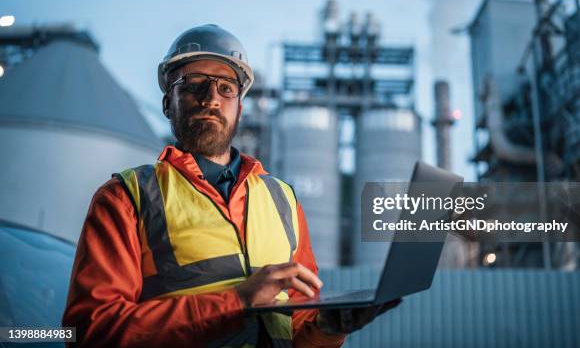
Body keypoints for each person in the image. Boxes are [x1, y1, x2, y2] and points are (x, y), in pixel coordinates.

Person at [62, 24, 399, 347]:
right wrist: (237, 301)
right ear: (168, 103)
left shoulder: (282, 200)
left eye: (226, 87)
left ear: (240, 107)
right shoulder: (127, 198)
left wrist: (326, 329)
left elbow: (296, 332)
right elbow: (90, 331)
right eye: (193, 84)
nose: (211, 97)